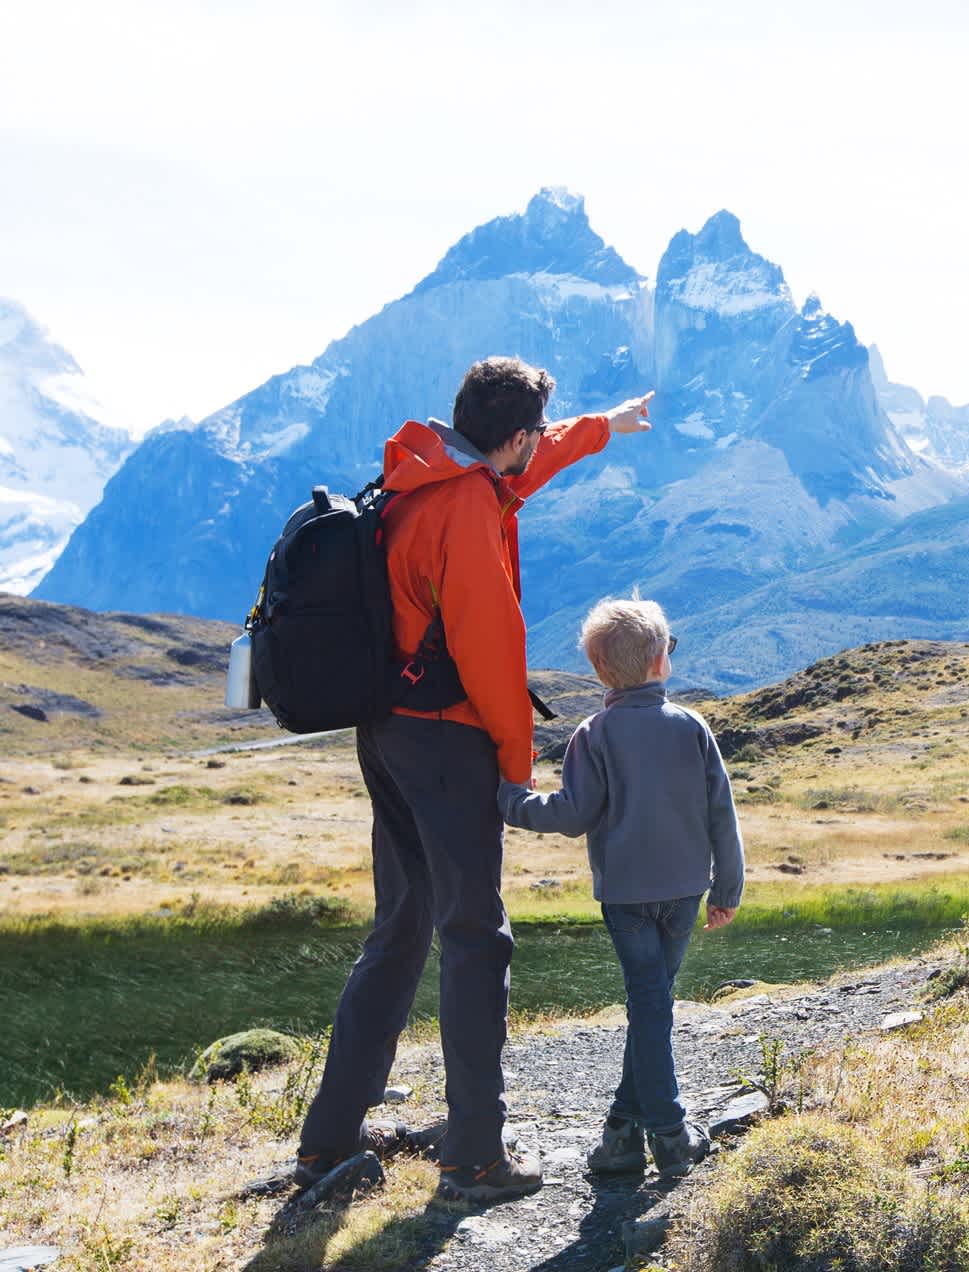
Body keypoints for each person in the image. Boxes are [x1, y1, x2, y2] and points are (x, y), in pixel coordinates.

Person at [294, 357, 656, 1203]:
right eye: (536, 437)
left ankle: (327, 1144)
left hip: (383, 729)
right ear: (514, 438)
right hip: (445, 742)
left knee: (402, 928)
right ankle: (474, 1159)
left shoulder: (420, 477)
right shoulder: (465, 505)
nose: (538, 449)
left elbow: (540, 458)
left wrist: (605, 426)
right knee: (475, 937)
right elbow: (493, 653)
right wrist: (513, 766)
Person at [496, 590, 745, 1180]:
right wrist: (727, 888)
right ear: (662, 661)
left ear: (599, 669)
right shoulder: (692, 727)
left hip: (626, 899)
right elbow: (721, 816)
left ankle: (644, 1136)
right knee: (653, 1006)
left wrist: (508, 800)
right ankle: (647, 1135)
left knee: (650, 1006)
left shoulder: (594, 734)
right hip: (688, 892)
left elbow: (572, 814)